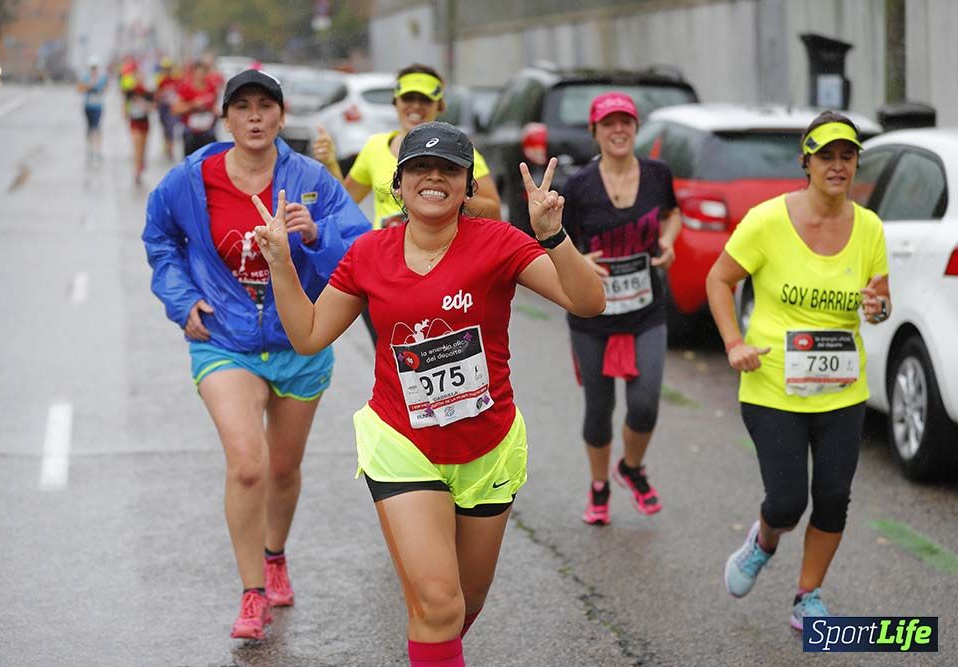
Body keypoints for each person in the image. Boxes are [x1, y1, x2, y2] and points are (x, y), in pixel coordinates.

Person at [253, 121, 604, 666]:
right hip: (402, 442)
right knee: (439, 604)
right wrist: (280, 265)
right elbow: (309, 334)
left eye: (449, 169)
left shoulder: (501, 244)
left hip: (488, 445)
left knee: (463, 603)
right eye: (419, 167)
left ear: (467, 186)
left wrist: (552, 235)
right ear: (398, 184)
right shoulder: (369, 253)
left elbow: (588, 303)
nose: (434, 178)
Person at [142, 69, 370, 640]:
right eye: (241, 107)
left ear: (281, 114)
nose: (254, 117)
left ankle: (275, 555)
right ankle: (251, 593)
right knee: (249, 465)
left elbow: (361, 250)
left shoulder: (312, 179)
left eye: (264, 106)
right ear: (226, 118)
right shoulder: (192, 180)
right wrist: (182, 299)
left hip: (300, 342)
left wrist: (316, 235)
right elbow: (161, 240)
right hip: (226, 340)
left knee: (284, 469)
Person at [705, 110, 890, 630]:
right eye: (826, 156)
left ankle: (808, 596)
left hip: (842, 389)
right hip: (772, 384)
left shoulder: (870, 228)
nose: (837, 166)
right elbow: (719, 281)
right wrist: (734, 342)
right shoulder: (768, 221)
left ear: (856, 164)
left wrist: (877, 309)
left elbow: (880, 301)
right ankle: (764, 541)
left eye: (846, 156)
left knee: (833, 497)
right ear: (806, 162)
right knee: (787, 500)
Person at [312, 64, 502, 346]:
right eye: (408, 99)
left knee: (437, 352)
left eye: (424, 100)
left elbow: (494, 211)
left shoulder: (460, 153)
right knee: (392, 356)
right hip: (384, 272)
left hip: (441, 269)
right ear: (396, 102)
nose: (415, 107)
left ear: (440, 104)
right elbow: (344, 204)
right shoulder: (376, 147)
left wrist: (445, 195)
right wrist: (329, 162)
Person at [561, 92, 681, 524]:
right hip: (592, 312)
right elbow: (557, 239)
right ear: (594, 131)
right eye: (608, 123)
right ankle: (599, 487)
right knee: (598, 407)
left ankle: (631, 467)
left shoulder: (657, 174)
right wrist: (579, 260)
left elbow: (672, 214)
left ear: (635, 128)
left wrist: (667, 241)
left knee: (645, 403)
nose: (618, 130)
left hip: (647, 306)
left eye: (626, 122)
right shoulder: (578, 185)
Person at [173, 60, 220, 156]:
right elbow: (175, 109)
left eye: (203, 73)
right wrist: (193, 104)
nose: (200, 76)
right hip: (191, 132)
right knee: (191, 161)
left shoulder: (211, 87)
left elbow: (214, 107)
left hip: (208, 131)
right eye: (198, 73)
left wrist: (217, 112)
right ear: (193, 73)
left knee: (210, 159)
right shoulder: (185, 88)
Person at [120, 61, 155, 185]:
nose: (139, 79)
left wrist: (146, 106)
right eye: (137, 76)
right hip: (134, 122)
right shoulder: (131, 91)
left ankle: (141, 162)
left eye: (141, 76)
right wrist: (124, 113)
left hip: (144, 122)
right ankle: (137, 170)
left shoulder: (147, 92)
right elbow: (125, 104)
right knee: (136, 145)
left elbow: (153, 106)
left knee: (143, 146)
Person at [77, 56, 107, 164]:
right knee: (89, 128)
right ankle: (89, 149)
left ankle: (98, 151)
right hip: (88, 106)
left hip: (98, 106)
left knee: (97, 128)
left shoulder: (102, 77)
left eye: (95, 67)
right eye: (92, 67)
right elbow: (79, 88)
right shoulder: (85, 77)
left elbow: (106, 88)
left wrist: (99, 88)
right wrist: (90, 86)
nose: (93, 69)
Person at [154, 57, 181, 160]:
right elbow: (157, 94)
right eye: (165, 69)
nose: (167, 71)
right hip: (163, 108)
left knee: (171, 127)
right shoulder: (161, 81)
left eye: (168, 69)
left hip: (172, 108)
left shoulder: (176, 80)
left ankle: (170, 148)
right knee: (165, 128)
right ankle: (167, 145)